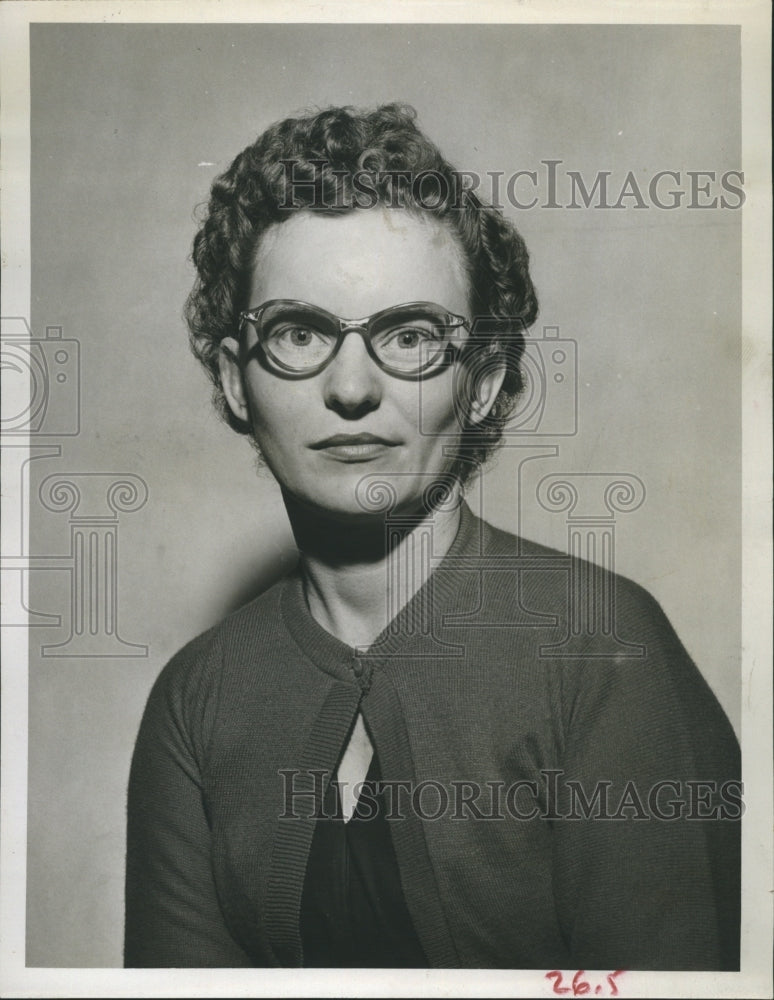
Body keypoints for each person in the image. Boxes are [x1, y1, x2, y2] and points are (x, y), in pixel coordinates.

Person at [124, 103, 740, 970]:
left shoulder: (603, 650)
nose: (350, 387)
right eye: (298, 333)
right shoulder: (196, 700)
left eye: (407, 336)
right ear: (234, 380)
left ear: (482, 382)